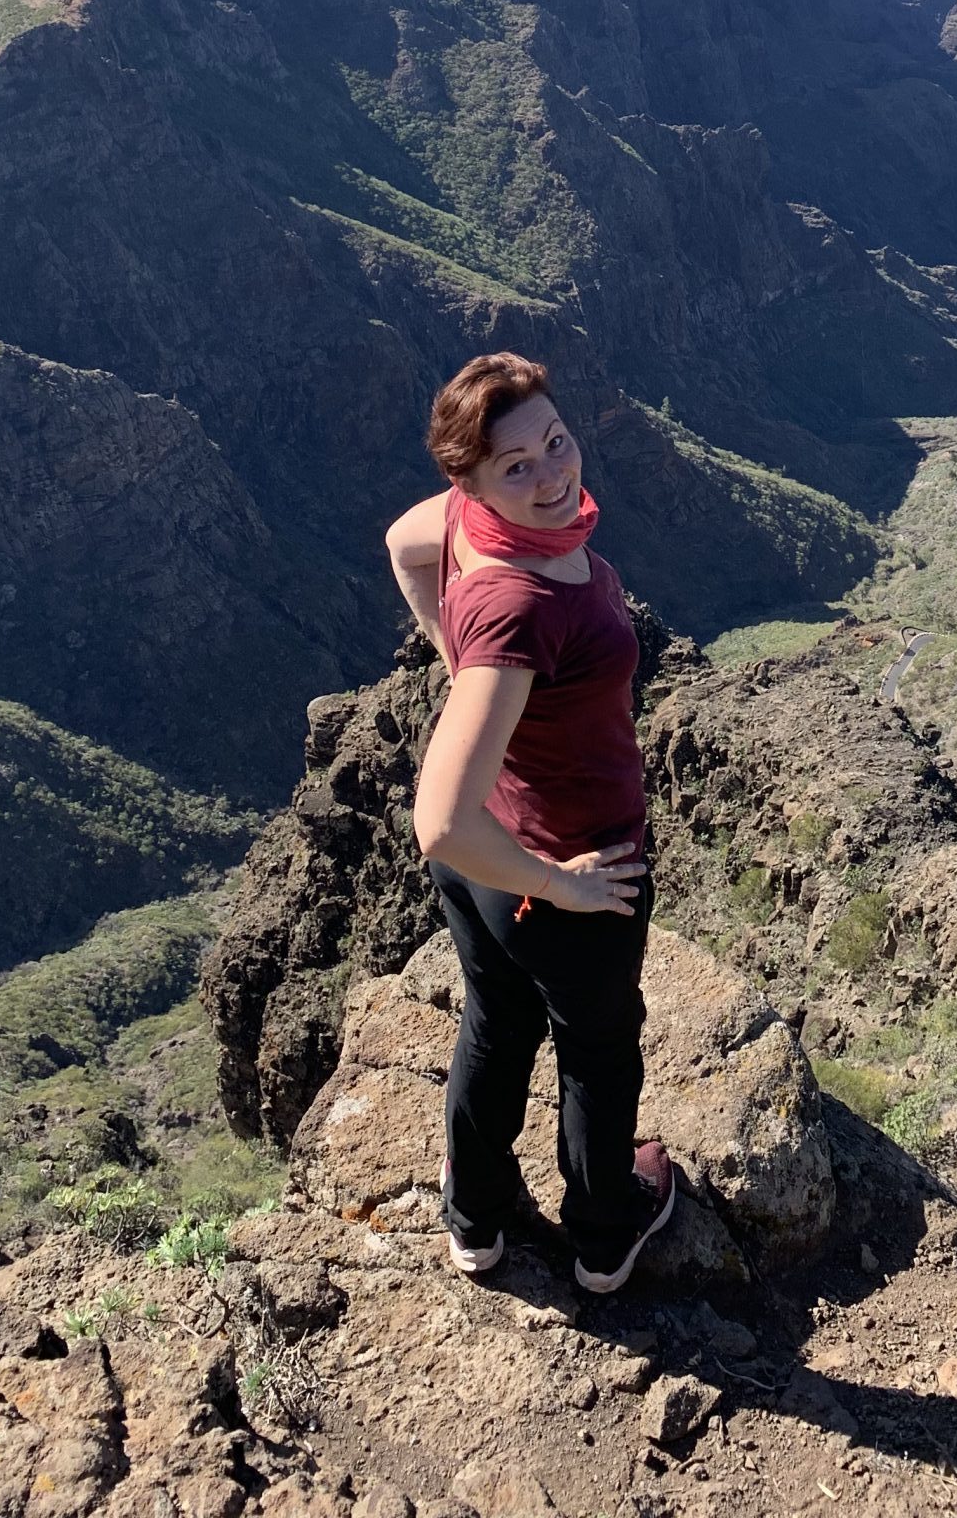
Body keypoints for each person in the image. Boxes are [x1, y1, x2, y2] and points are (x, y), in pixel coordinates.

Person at [385, 351, 674, 1294]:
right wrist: (564, 883)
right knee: (597, 1049)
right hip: (562, 862)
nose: (553, 474)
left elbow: (403, 541)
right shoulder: (517, 604)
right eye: (518, 466)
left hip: (488, 869)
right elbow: (438, 821)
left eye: (556, 441)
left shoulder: (470, 525)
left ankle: (476, 1219)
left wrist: (446, 644)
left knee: (496, 1021)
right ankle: (602, 1239)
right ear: (469, 478)